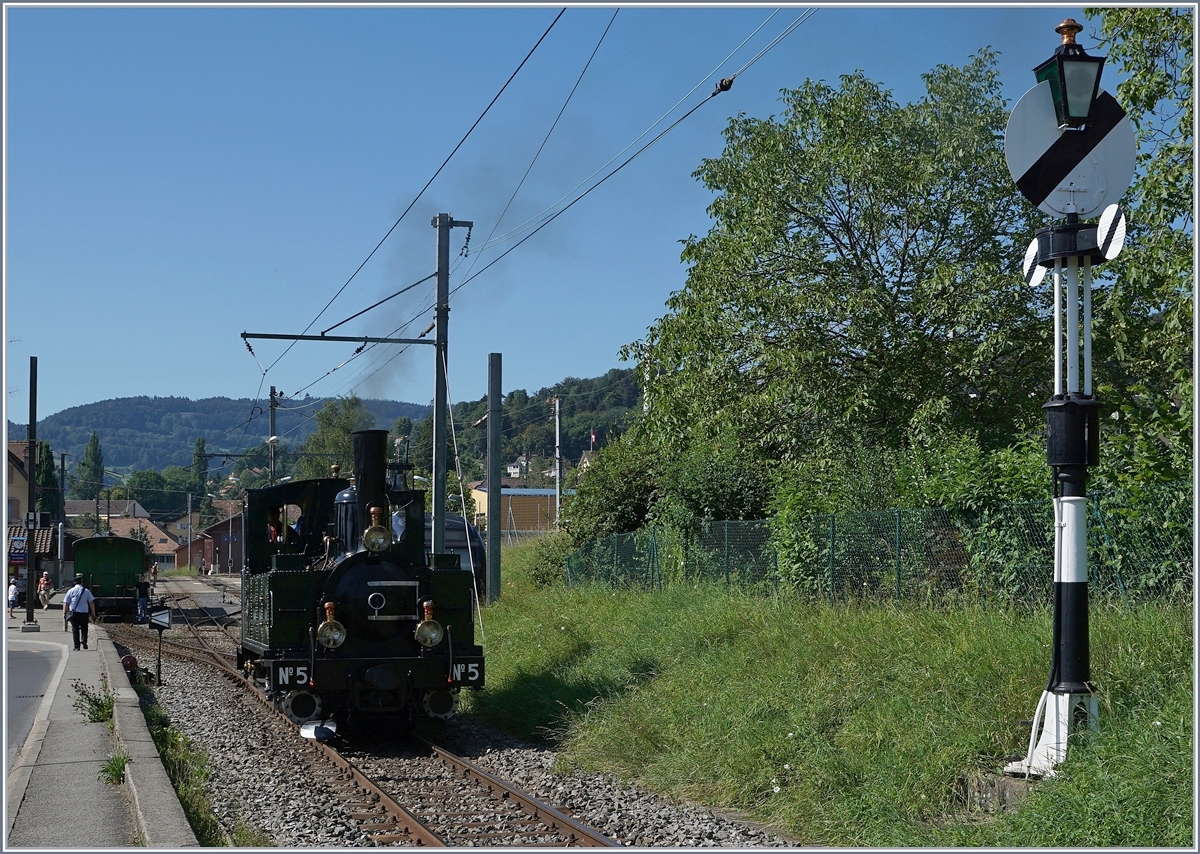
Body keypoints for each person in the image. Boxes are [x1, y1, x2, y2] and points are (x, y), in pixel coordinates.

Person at [62, 575, 97, 651]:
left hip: (74, 613)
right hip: (84, 613)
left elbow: (66, 603)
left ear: (74, 583)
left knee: (75, 629)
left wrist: (64, 613)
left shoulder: (70, 591)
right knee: (84, 627)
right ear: (81, 582)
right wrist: (93, 613)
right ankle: (84, 640)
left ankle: (76, 646)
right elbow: (91, 602)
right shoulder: (86, 591)